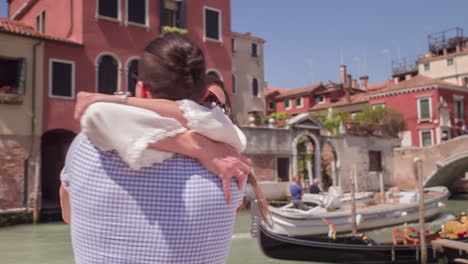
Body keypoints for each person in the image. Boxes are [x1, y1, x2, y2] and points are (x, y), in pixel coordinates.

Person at [60, 33, 251, 264]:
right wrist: (199, 147)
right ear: (202, 95)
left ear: (141, 90)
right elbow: (195, 116)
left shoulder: (86, 145)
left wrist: (118, 101)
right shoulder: (232, 162)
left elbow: (69, 214)